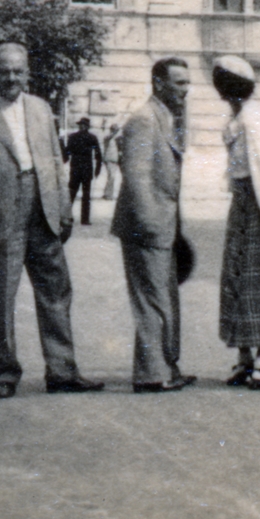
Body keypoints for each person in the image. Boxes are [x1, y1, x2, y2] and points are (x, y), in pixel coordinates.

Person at [0, 42, 103, 398]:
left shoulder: (40, 109)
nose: (11, 78)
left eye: (18, 71)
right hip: (1, 214)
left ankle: (62, 370)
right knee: (1, 296)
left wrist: (64, 207)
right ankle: (5, 374)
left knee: (56, 291)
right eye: (4, 71)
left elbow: (55, 160)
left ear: (27, 74)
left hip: (44, 208)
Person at [110, 56, 195, 393]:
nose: (185, 90)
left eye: (188, 83)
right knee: (150, 300)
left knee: (163, 298)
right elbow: (137, 177)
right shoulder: (144, 119)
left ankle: (165, 368)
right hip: (145, 226)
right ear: (158, 84)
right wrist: (150, 226)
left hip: (163, 224)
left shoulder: (167, 116)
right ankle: (150, 375)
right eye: (179, 83)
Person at [212, 56, 260, 389]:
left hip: (258, 204)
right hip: (241, 204)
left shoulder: (253, 118)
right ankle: (243, 356)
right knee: (236, 279)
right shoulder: (236, 117)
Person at [62, 116, 102, 226]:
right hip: (86, 168)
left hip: (76, 167)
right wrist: (98, 169)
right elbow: (98, 155)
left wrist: (62, 162)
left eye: (83, 125)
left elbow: (66, 153)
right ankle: (84, 219)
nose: (82, 127)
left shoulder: (73, 137)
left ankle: (67, 217)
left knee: (73, 193)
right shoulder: (92, 137)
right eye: (82, 125)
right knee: (84, 195)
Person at [102, 122, 121, 201]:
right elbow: (106, 139)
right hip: (109, 159)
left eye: (116, 130)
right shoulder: (108, 137)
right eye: (113, 130)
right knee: (111, 176)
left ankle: (107, 193)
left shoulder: (117, 139)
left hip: (115, 159)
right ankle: (108, 194)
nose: (115, 131)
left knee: (111, 177)